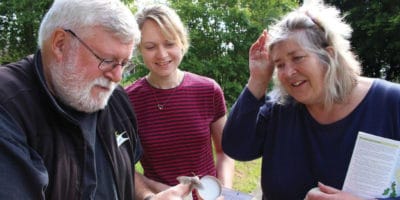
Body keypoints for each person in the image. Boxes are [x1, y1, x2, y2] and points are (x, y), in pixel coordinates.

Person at [0, 0, 197, 199]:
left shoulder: (116, 100)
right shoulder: (8, 105)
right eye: (108, 61)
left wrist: (149, 197)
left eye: (125, 64)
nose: (118, 76)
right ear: (60, 44)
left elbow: (127, 175)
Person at [222, 0, 400, 200]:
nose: (288, 72)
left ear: (329, 55)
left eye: (297, 58)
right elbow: (237, 147)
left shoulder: (391, 103)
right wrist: (258, 80)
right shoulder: (281, 108)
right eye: (279, 64)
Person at [125, 4, 235, 199]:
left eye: (169, 44)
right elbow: (124, 167)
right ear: (139, 48)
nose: (162, 54)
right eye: (150, 46)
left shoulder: (208, 90)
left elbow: (224, 152)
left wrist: (223, 192)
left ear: (181, 42)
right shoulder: (128, 101)